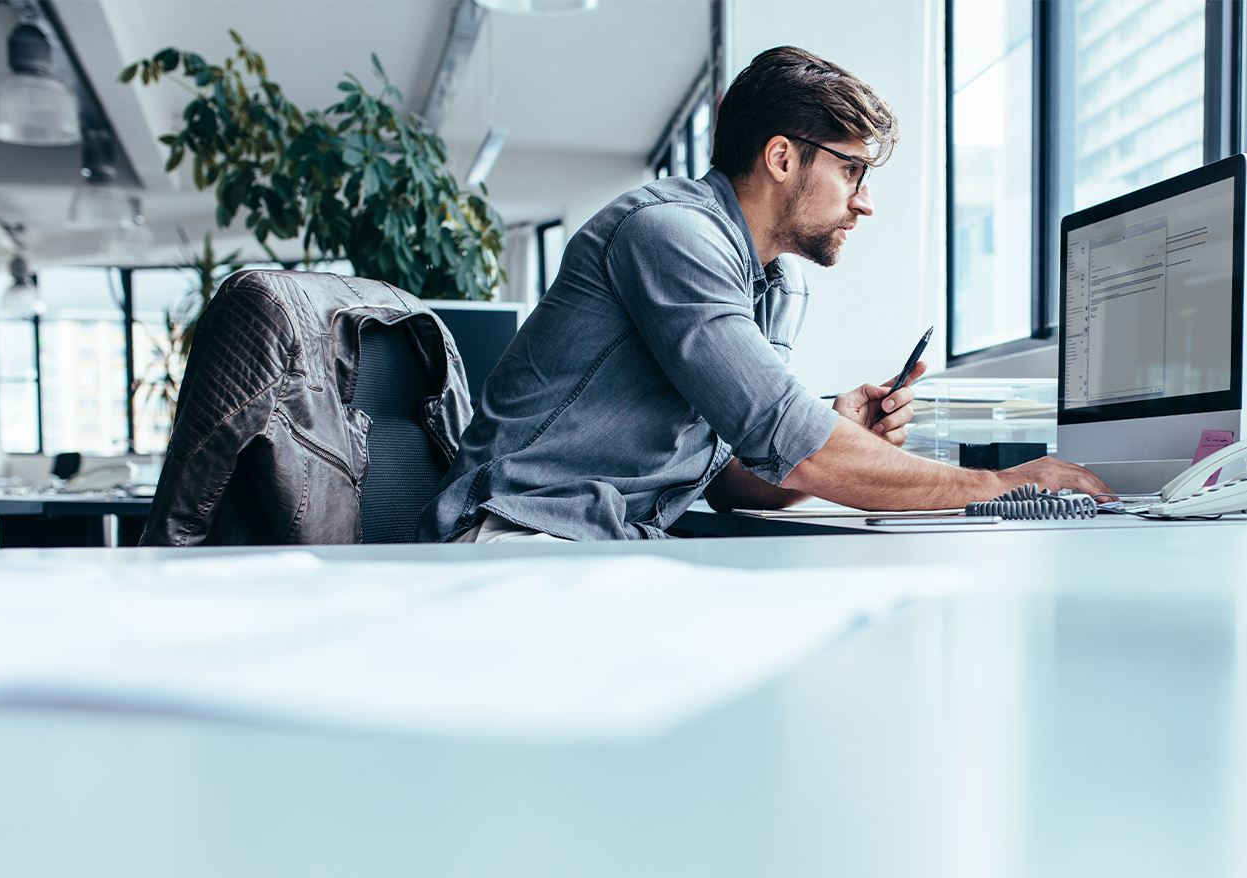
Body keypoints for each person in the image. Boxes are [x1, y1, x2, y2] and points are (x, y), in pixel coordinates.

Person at [417, 46, 1108, 543]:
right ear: (782, 158)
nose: (865, 203)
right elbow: (795, 443)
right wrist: (1003, 487)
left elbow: (731, 479)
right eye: (852, 171)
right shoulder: (669, 235)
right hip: (518, 536)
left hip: (608, 544)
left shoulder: (776, 283)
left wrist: (837, 427)